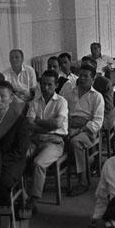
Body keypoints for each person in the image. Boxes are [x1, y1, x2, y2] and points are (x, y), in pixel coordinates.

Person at [25, 70, 69, 211]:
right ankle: (23, 194)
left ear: (56, 85)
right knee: (20, 156)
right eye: (43, 84)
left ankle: (33, 199)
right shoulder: (35, 102)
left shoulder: (61, 102)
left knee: (38, 163)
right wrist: (46, 125)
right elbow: (28, 123)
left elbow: (57, 124)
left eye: (49, 84)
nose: (45, 87)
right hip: (35, 139)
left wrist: (38, 121)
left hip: (55, 141)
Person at [0, 81, 30, 206]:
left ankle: (5, 212)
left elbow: (19, 151)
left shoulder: (20, 121)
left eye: (2, 96)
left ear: (11, 99)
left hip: (10, 163)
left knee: (1, 182)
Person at [65, 66, 105, 190]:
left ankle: (82, 180)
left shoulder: (97, 97)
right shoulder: (70, 93)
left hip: (87, 132)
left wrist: (80, 128)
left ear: (92, 79)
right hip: (69, 126)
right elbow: (64, 112)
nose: (81, 78)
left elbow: (97, 123)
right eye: (80, 75)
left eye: (85, 76)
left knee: (75, 142)